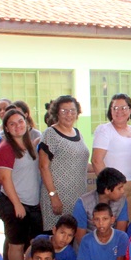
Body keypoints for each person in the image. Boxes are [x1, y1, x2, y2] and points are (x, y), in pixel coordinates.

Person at [0, 108, 43, 260]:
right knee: (16, 245)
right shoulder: (6, 148)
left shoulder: (30, 145)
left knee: (33, 244)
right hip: (14, 203)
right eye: (12, 124)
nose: (18, 126)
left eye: (20, 122)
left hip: (32, 203)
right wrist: (17, 204)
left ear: (27, 122)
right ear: (6, 129)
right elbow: (5, 178)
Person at [38, 95, 90, 231]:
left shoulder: (78, 133)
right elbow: (43, 167)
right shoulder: (50, 134)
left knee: (75, 235)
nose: (69, 114)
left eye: (72, 110)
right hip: (58, 198)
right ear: (57, 113)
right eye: (64, 111)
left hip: (77, 197)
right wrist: (53, 196)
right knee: (58, 236)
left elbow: (80, 162)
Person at [92, 93, 131, 216]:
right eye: (115, 108)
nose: (119, 111)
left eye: (124, 108)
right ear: (110, 110)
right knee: (114, 222)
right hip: (115, 188)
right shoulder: (104, 130)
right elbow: (96, 161)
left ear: (130, 110)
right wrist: (110, 187)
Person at [73, 167, 129, 243]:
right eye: (119, 188)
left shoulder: (122, 200)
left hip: (112, 245)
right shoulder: (83, 203)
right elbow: (80, 238)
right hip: (87, 246)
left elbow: (120, 233)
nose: (123, 191)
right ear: (107, 190)